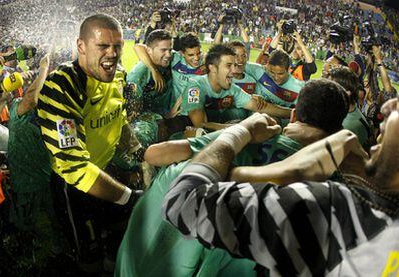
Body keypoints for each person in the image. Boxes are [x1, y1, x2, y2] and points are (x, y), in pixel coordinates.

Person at [116, 78, 349, 276]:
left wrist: (238, 131)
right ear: (338, 132)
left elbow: (156, 154)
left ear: (295, 114)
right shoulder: (335, 189)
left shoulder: (244, 140)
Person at [163, 96, 399, 275]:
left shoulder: (331, 211)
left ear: (295, 116)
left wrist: (238, 132)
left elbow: (182, 201)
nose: (388, 106)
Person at [36, 14, 142, 272]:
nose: (112, 53)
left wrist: (138, 152)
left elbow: (120, 120)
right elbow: (75, 169)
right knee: (89, 255)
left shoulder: (118, 76)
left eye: (117, 46)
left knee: (118, 236)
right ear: (81, 46)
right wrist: (128, 197)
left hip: (106, 174)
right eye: (103, 46)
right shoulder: (61, 87)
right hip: (73, 189)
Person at [179, 44, 291, 128]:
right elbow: (200, 124)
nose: (233, 71)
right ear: (212, 68)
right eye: (229, 66)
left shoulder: (232, 89)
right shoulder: (195, 85)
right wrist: (238, 127)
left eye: (234, 65)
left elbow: (260, 106)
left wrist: (293, 113)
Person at [328, 66, 372, 148]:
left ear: (347, 92)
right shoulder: (336, 110)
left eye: (331, 87)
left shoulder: (351, 126)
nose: (326, 90)